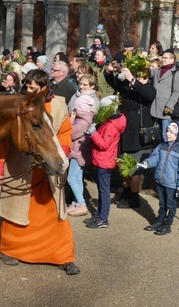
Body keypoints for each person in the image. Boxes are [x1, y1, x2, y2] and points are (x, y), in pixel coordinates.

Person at [0, 69, 79, 275]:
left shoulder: (58, 104)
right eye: (26, 86)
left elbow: (65, 132)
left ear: (44, 88)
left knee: (56, 213)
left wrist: (61, 154)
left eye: (32, 88)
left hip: (49, 170)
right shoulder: (18, 104)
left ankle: (64, 256)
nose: (27, 90)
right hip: (20, 168)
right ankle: (10, 250)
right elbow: (2, 137)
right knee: (17, 211)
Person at [103, 61, 156, 209]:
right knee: (124, 166)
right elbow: (113, 83)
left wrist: (133, 79)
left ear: (147, 79)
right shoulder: (128, 88)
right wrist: (109, 71)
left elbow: (147, 95)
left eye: (142, 78)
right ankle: (125, 193)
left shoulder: (150, 89)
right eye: (137, 77)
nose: (139, 80)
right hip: (125, 133)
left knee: (134, 168)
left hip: (138, 135)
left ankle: (134, 197)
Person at [137, 121, 179, 235]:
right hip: (160, 181)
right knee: (162, 203)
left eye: (171, 132)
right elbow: (155, 158)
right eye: (167, 130)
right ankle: (159, 220)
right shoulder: (162, 146)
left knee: (170, 204)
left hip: (172, 184)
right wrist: (146, 163)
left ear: (178, 135)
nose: (168, 133)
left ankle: (167, 224)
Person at [84, 97, 126, 228]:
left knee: (104, 191)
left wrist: (93, 134)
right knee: (102, 189)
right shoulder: (113, 121)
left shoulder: (110, 126)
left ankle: (103, 219)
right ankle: (99, 214)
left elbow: (104, 144)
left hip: (104, 161)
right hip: (103, 160)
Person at [67, 84, 96, 217]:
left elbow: (71, 134)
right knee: (77, 178)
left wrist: (71, 119)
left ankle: (81, 203)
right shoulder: (87, 118)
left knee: (72, 178)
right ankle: (77, 202)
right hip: (80, 153)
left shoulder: (82, 121)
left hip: (77, 153)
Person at [151, 49, 179, 139]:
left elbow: (177, 92)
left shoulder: (177, 73)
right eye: (162, 57)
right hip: (155, 108)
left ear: (172, 60)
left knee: (166, 136)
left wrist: (169, 106)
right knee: (157, 135)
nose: (163, 59)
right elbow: (147, 73)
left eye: (166, 58)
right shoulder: (158, 71)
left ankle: (167, 152)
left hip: (166, 110)